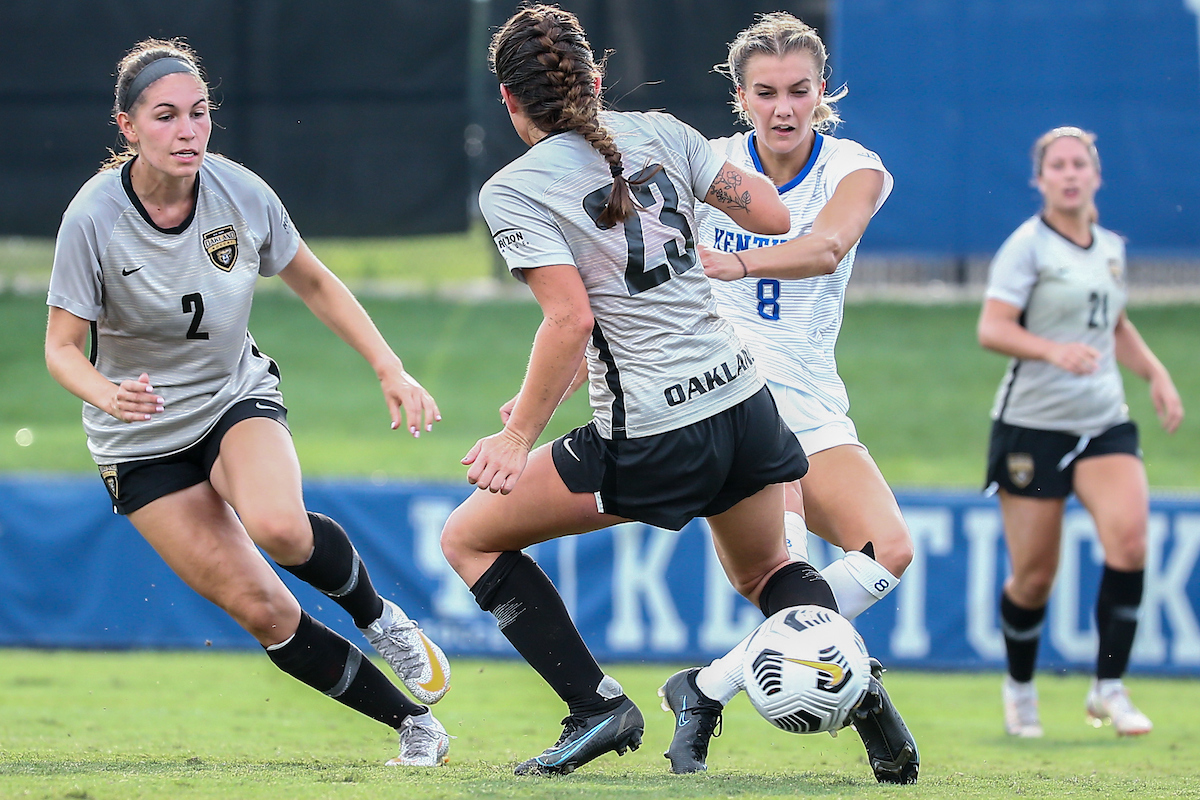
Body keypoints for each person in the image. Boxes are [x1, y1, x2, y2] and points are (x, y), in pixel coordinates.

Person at [437, 4, 914, 778]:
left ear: (508, 99)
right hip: (746, 406)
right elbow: (769, 210)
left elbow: (569, 319)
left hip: (657, 427)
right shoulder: (664, 132)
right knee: (770, 577)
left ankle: (595, 706)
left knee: (468, 536)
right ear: (596, 79)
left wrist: (518, 434)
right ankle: (865, 702)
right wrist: (687, 211)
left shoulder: (513, 190)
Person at [44, 38, 452, 766]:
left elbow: (318, 283)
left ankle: (381, 618)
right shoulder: (93, 218)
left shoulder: (241, 193)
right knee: (264, 609)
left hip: (232, 397)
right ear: (127, 126)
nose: (187, 130)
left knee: (280, 527)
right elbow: (60, 349)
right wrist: (108, 393)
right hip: (138, 445)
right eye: (165, 116)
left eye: (198, 113)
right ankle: (415, 726)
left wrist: (390, 367)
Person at [657, 13, 919, 784]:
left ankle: (706, 686)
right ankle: (867, 704)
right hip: (728, 396)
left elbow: (829, 244)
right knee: (790, 567)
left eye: (799, 91)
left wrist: (739, 266)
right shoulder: (706, 168)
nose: (783, 107)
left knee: (890, 550)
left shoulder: (855, 168)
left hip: (812, 398)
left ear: (821, 93)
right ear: (741, 97)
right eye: (766, 92)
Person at [978, 126, 1183, 738]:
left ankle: (1109, 689)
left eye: (1079, 164)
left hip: (1102, 421)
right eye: (1057, 166)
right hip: (1031, 427)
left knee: (1131, 543)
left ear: (1096, 176)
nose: (1069, 174)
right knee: (1035, 576)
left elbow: (1113, 321)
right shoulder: (1027, 247)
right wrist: (1050, 350)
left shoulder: (1110, 248)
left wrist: (1155, 373)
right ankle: (1020, 690)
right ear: (1040, 180)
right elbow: (992, 329)